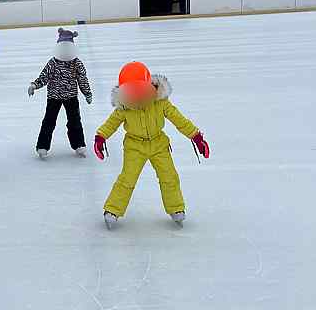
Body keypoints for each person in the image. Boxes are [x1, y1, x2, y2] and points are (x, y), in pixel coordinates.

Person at [93, 61, 210, 229]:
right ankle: (112, 210)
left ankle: (176, 208)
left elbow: (179, 119)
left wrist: (196, 136)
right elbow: (111, 123)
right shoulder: (125, 107)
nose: (136, 93)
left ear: (148, 84)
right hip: (134, 146)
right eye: (131, 90)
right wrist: (101, 137)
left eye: (139, 88)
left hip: (159, 144)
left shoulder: (160, 102)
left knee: (169, 176)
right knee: (127, 178)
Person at [28, 28, 92, 159]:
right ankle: (42, 146)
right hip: (54, 97)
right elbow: (44, 76)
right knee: (49, 121)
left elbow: (82, 79)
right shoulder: (53, 62)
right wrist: (35, 85)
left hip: (71, 97)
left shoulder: (76, 63)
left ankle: (79, 144)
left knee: (74, 121)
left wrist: (87, 93)